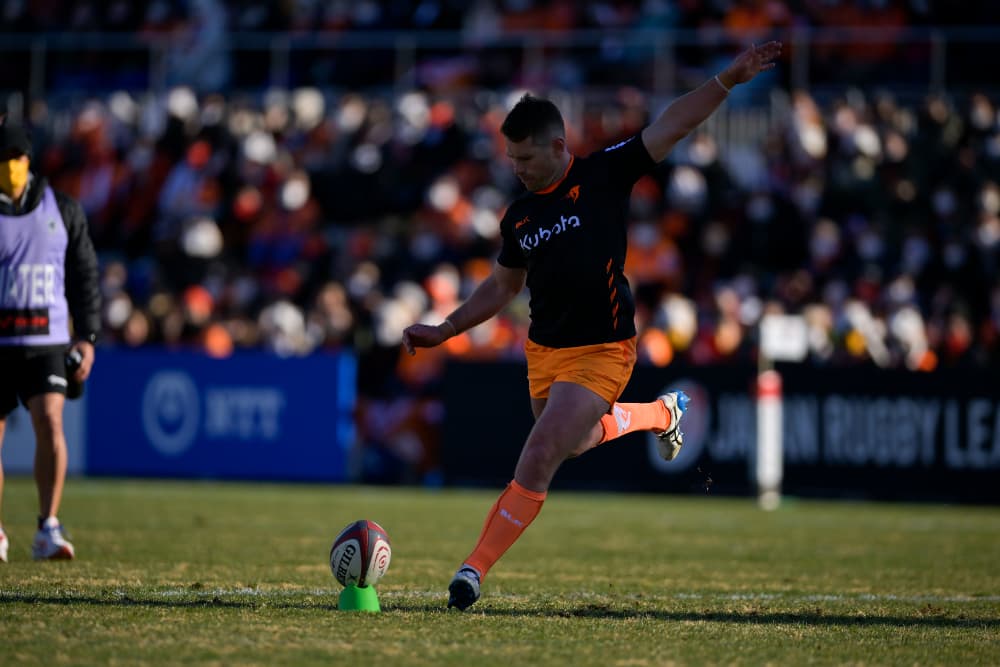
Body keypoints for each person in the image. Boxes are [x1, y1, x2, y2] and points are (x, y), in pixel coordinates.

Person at [402, 42, 782, 609]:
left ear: (558, 145)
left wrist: (726, 79)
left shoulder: (606, 173)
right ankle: (660, 414)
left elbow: (672, 123)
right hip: (545, 352)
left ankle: (471, 572)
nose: (518, 169)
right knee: (571, 444)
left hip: (604, 348)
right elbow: (503, 287)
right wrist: (447, 327)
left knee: (539, 455)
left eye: (526, 159)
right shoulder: (519, 217)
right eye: (511, 160)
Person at [0, 120, 100, 561]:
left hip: (47, 339)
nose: (9, 169)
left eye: (14, 160)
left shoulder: (61, 209)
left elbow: (84, 275)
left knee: (50, 422)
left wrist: (89, 335)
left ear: (28, 161)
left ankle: (48, 526)